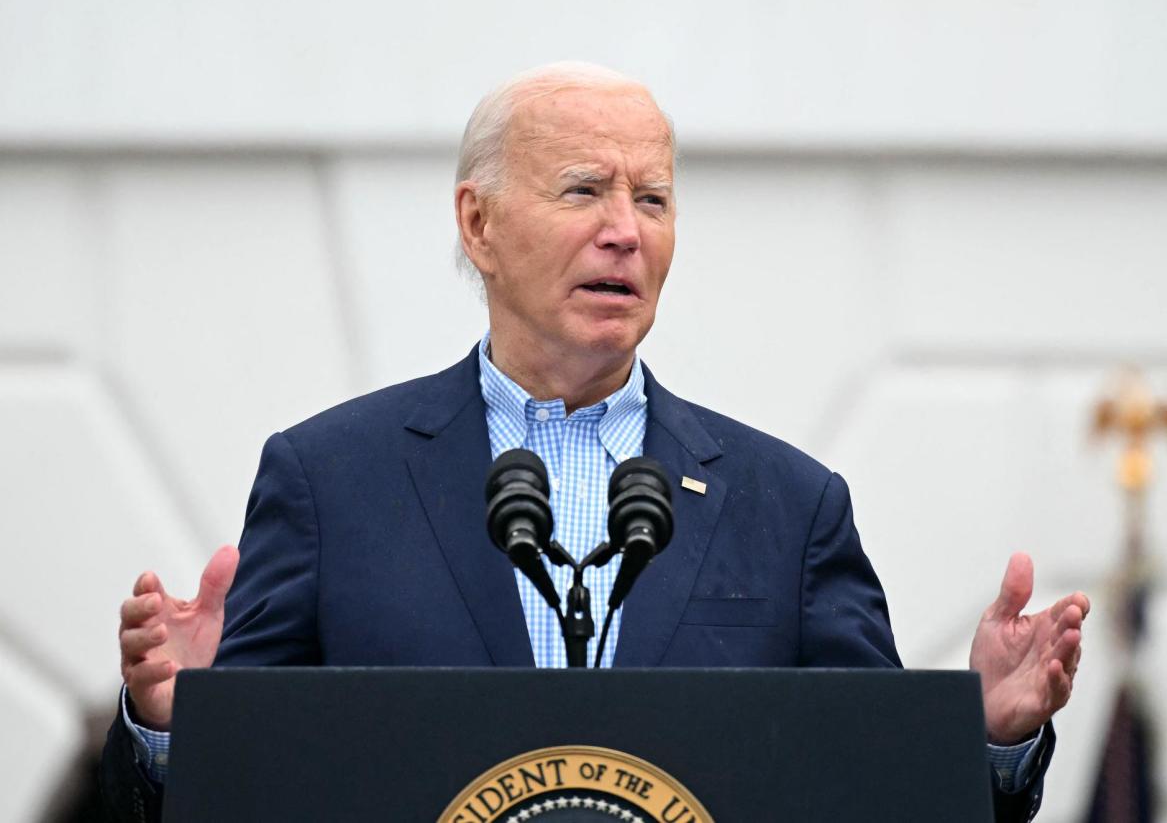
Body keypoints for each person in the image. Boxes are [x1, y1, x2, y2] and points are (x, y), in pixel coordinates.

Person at [101, 62, 1089, 821]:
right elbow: (226, 800)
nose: (626, 230)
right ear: (478, 224)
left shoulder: (787, 508)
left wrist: (986, 742)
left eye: (652, 199)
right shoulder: (330, 481)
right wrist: (179, 727)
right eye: (583, 191)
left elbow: (874, 795)